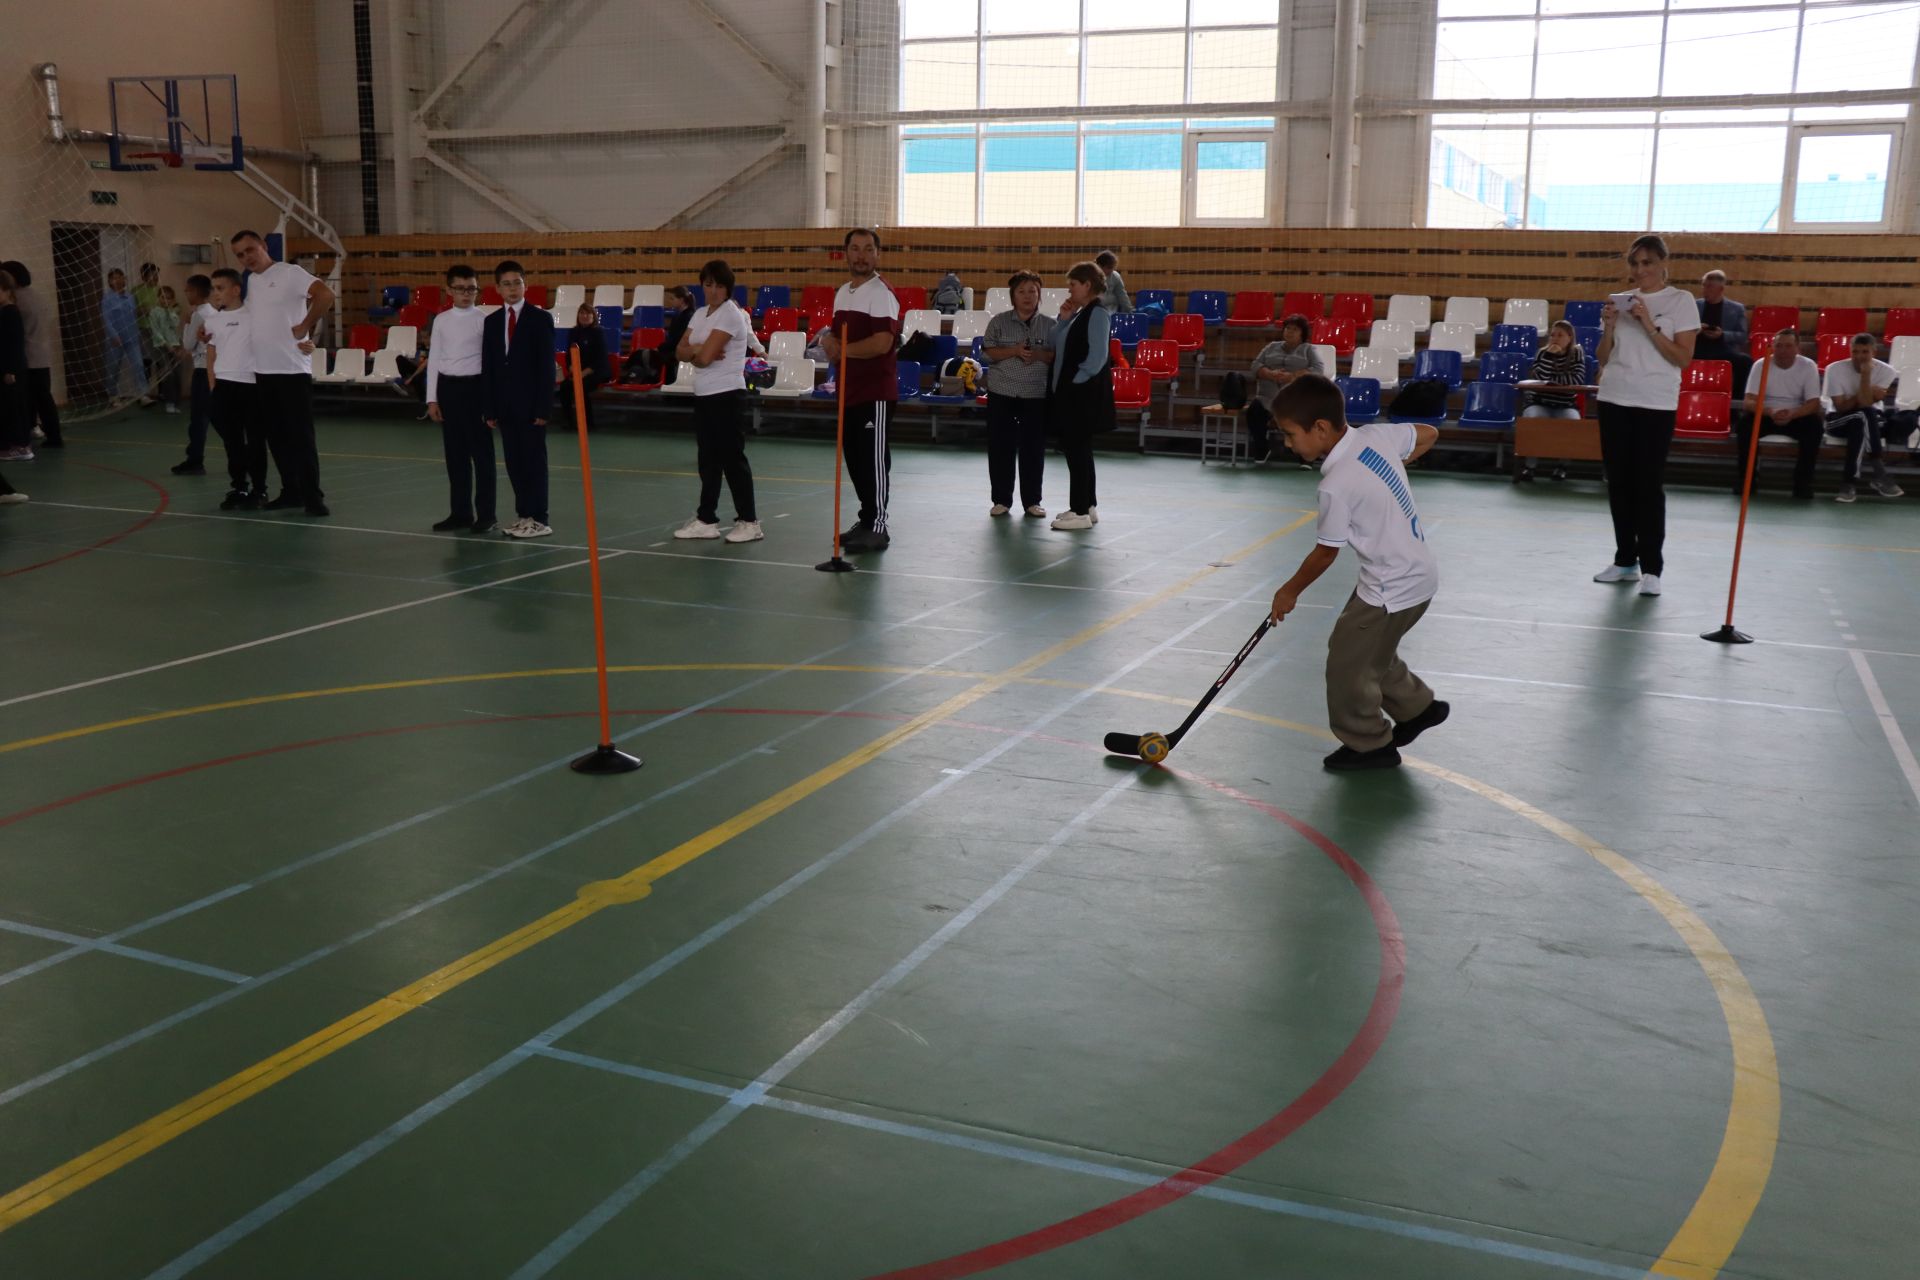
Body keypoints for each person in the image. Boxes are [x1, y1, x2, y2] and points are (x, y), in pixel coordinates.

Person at [1266, 373, 1446, 773]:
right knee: (1364, 652)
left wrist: (1288, 591)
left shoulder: (1337, 484)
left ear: (1321, 428)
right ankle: (1417, 708)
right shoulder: (1374, 439)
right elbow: (1428, 432)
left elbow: (1326, 553)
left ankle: (1369, 745)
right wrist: (1391, 468)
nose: (1288, 443)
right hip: (1415, 576)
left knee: (1347, 666)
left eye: (1291, 434)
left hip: (1391, 587)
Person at [1592, 233, 1698, 598]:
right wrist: (1609, 326)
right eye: (1635, 264)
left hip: (1655, 402)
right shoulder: (1619, 302)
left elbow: (1682, 358)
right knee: (1618, 482)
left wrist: (1649, 323)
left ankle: (1652, 567)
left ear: (1663, 264)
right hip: (1614, 397)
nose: (1641, 270)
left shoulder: (1681, 301)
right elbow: (1603, 357)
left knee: (1648, 486)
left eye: (1648, 263)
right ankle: (1625, 561)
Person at [230, 229, 333, 516]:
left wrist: (305, 325)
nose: (246, 257)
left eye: (250, 249)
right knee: (275, 436)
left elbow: (325, 295)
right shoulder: (251, 281)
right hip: (262, 371)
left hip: (290, 370)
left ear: (263, 246)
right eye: (240, 254)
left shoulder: (290, 273)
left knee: (301, 437)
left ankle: (313, 496)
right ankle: (291, 492)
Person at [820, 228, 901, 552]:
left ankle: (878, 525)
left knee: (873, 461)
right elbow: (836, 336)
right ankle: (867, 519)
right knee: (854, 459)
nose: (862, 256)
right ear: (846, 253)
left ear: (877, 255)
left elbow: (882, 343)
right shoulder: (843, 292)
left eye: (868, 249)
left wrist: (843, 349)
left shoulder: (881, 293)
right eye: (855, 249)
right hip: (848, 391)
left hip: (875, 393)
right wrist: (828, 341)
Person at [672, 259, 761, 544]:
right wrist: (698, 348)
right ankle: (706, 519)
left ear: (727, 289)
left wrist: (697, 352)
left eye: (719, 285)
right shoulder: (699, 314)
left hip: (727, 395)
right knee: (708, 461)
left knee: (733, 460)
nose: (712, 291)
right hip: (704, 395)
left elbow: (706, 358)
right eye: (708, 284)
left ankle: (749, 521)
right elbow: (679, 351)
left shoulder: (730, 314)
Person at [482, 259, 556, 539]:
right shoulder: (492, 322)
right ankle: (524, 515)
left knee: (534, 462)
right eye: (506, 284)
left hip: (531, 405)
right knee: (514, 462)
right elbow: (488, 366)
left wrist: (543, 407)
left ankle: (540, 517)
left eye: (517, 282)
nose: (512, 288)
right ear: (497, 289)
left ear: (525, 285)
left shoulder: (540, 319)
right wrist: (489, 407)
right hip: (504, 406)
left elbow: (546, 367)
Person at [425, 264, 495, 533]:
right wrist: (432, 399)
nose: (466, 294)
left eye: (471, 289)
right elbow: (434, 360)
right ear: (449, 290)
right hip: (449, 390)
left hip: (475, 390)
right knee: (455, 456)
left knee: (482, 456)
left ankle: (487, 514)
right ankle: (460, 512)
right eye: (460, 289)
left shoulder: (484, 319)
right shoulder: (442, 321)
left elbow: (490, 364)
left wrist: (490, 401)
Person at [981, 270, 1053, 518]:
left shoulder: (1050, 325)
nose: (1027, 296)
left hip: (1036, 396)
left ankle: (1033, 501)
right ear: (1013, 296)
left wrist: (1038, 355)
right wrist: (1013, 350)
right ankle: (1001, 500)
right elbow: (986, 353)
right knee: (1001, 447)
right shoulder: (998, 322)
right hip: (1002, 393)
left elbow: (1055, 356)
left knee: (1033, 449)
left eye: (1032, 291)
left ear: (1039, 295)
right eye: (1021, 291)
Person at [1046, 261, 1112, 532]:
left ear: (1087, 285)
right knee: (1081, 451)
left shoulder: (1097, 314)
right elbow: (1053, 340)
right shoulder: (1079, 314)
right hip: (1072, 392)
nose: (1069, 290)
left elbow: (1097, 357)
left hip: (1080, 394)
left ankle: (1080, 511)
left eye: (1073, 285)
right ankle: (1089, 506)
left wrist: (1075, 383)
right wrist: (1063, 319)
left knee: (1076, 451)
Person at [1733, 329, 1824, 500]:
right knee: (1745, 426)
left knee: (1815, 428)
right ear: (1773, 347)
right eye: (1779, 346)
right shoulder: (1760, 365)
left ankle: (1802, 483)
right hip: (1766, 414)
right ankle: (1747, 480)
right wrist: (1770, 411)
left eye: (1788, 346)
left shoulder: (1808, 366)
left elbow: (1813, 403)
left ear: (1797, 348)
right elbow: (1749, 401)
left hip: (1796, 415)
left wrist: (1792, 414)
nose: (1783, 350)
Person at [204, 267, 268, 509]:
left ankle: (260, 489)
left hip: (251, 385)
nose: (216, 293)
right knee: (231, 441)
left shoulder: (254, 316)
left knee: (255, 440)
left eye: (220, 288)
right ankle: (239, 486)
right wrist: (213, 386)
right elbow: (211, 355)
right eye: (213, 289)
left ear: (236, 289)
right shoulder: (213, 320)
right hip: (224, 386)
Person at [1823, 332, 1905, 503]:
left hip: (1872, 421)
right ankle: (1879, 471)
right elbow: (1841, 407)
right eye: (1855, 352)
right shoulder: (1835, 369)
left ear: (1874, 352)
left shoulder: (1887, 371)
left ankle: (1849, 483)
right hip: (1838, 420)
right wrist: (1867, 385)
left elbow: (1865, 403)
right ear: (1850, 351)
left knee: (1862, 419)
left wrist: (1865, 376)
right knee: (1863, 415)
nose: (1859, 356)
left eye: (1865, 352)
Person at [0, 261, 62, 449]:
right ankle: (47, 434)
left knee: (31, 400)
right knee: (41, 398)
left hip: (28, 356)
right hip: (42, 354)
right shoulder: (37, 296)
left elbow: (14, 332)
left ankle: (38, 437)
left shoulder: (16, 300)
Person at [1247, 313, 1325, 459]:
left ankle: (1305, 455)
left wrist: (1292, 377)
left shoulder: (1309, 349)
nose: (1289, 332)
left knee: (1306, 415)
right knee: (1253, 412)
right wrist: (1271, 374)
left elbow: (1318, 370)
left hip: (1296, 400)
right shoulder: (1271, 347)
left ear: (1302, 333)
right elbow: (1255, 366)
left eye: (1294, 329)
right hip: (1267, 397)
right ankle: (1261, 448)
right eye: (1287, 328)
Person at [171, 275, 217, 475]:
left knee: (199, 418)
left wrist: (187, 323)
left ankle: (195, 460)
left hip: (202, 370)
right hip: (215, 370)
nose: (186, 294)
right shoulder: (213, 312)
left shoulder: (198, 315)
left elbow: (189, 345)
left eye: (188, 290)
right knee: (212, 416)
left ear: (196, 292)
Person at [1694, 270, 1751, 391]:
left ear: (1721, 289)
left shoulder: (1736, 308)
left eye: (1709, 286)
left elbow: (1742, 336)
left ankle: (1735, 404)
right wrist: (1696, 328)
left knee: (1745, 362)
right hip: (1697, 349)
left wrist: (1722, 334)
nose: (1705, 289)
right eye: (1704, 285)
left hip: (1723, 350)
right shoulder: (1694, 305)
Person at [562, 301, 612, 431]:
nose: (584, 316)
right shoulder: (573, 332)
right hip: (578, 371)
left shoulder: (598, 332)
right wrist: (572, 368)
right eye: (581, 313)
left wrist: (582, 374)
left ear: (593, 316)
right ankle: (569, 421)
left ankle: (588, 423)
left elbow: (600, 359)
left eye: (587, 313)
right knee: (564, 388)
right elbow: (569, 355)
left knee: (582, 388)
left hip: (597, 371)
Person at [0, 270, 30, 462]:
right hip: (6, 367)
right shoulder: (4, 312)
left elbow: (14, 344)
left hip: (12, 368)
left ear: (7, 290)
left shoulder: (11, 313)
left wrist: (10, 370)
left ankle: (20, 446)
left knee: (14, 408)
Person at [101, 269, 143, 402]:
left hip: (132, 336)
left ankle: (143, 394)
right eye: (114, 278)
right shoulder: (107, 299)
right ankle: (113, 395)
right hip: (115, 339)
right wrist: (114, 336)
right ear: (110, 282)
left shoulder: (130, 297)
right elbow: (106, 320)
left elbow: (133, 316)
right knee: (113, 367)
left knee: (138, 365)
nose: (118, 280)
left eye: (121, 277)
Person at [146, 284, 184, 418]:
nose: (165, 301)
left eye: (168, 299)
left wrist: (171, 311)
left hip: (175, 344)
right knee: (168, 373)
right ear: (158, 298)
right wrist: (167, 345)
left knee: (178, 373)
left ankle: (176, 402)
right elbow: (156, 332)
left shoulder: (172, 312)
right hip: (162, 346)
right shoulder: (154, 312)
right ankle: (169, 402)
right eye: (163, 298)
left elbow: (175, 325)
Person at [133, 262, 162, 404]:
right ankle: (143, 394)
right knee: (145, 362)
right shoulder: (136, 291)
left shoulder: (161, 290)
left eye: (157, 274)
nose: (156, 277)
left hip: (160, 331)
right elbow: (132, 311)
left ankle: (162, 392)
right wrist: (144, 310)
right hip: (143, 330)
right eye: (152, 275)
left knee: (161, 361)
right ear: (144, 277)